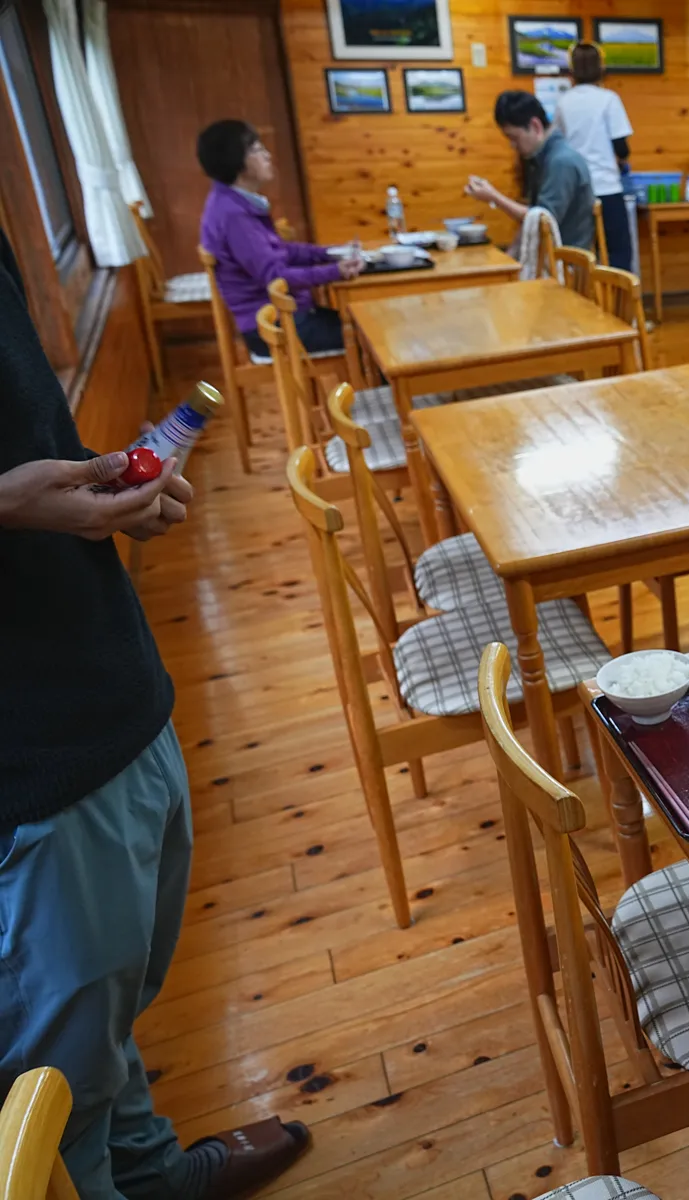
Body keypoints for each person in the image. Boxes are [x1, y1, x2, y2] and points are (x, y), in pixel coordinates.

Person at [0, 226, 311, 1198]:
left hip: (110, 676)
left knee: (118, 1004)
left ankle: (152, 1171)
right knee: (62, 1081)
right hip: (35, 748)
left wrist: (96, 479)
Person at [197, 119, 361, 358]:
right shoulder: (233, 215)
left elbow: (280, 251)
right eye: (257, 150)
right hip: (273, 324)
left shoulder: (234, 202)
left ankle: (372, 394)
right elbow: (275, 277)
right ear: (236, 161)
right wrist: (335, 271)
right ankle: (375, 396)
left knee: (364, 324)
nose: (268, 155)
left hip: (283, 314)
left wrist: (330, 253)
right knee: (369, 337)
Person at [466, 90, 596, 255]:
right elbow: (531, 218)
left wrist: (494, 197)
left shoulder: (561, 162)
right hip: (548, 257)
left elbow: (541, 221)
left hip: (567, 265)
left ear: (535, 126)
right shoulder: (541, 156)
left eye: (514, 138)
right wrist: (511, 259)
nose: (512, 146)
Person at [556, 42, 635, 272]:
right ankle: (617, 305)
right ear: (602, 69)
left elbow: (560, 145)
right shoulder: (609, 99)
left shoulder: (564, 102)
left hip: (576, 190)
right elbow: (621, 147)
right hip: (607, 188)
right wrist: (621, 161)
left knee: (578, 254)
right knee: (617, 253)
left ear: (571, 71)